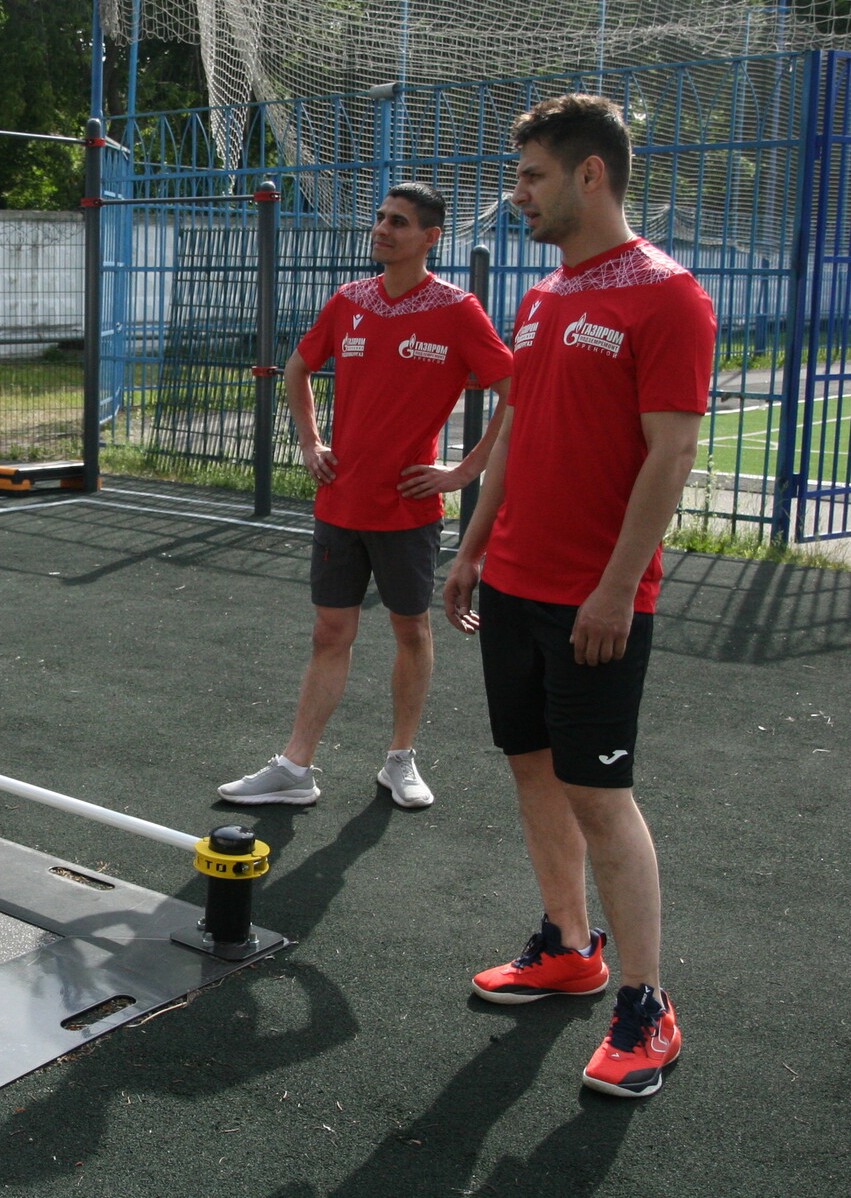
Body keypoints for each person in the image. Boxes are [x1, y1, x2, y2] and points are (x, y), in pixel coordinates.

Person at [442, 93, 715, 1098]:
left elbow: (671, 452)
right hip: (510, 581)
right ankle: (567, 945)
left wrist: (613, 589)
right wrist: (469, 547)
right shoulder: (544, 297)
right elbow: (516, 432)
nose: (515, 195)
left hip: (594, 599)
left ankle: (645, 1007)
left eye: (530, 177)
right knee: (530, 769)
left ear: (587, 175)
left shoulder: (666, 295)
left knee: (600, 798)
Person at [220, 183, 512, 810]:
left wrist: (465, 471)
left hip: (407, 509)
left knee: (411, 629)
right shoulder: (349, 300)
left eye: (398, 223)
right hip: (340, 503)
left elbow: (516, 390)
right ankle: (295, 769)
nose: (382, 229)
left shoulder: (458, 310)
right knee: (330, 632)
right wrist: (310, 442)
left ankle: (399, 760)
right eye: (380, 217)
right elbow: (297, 368)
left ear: (431, 238)